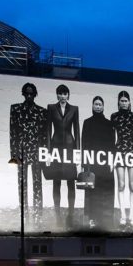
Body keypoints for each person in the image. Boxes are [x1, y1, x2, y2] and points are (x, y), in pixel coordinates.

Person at [9, 82, 48, 223]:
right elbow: (13, 133)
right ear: (23, 93)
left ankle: (38, 216)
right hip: (21, 152)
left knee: (37, 184)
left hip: (37, 152)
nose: (29, 96)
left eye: (32, 93)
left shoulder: (42, 112)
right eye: (27, 93)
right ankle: (24, 216)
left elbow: (44, 135)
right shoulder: (16, 109)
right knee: (22, 185)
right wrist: (14, 156)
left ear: (35, 94)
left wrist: (44, 154)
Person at [46, 84, 80, 228]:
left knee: (71, 181)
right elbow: (48, 129)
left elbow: (77, 130)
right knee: (56, 181)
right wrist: (48, 151)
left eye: (65, 93)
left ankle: (70, 215)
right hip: (55, 146)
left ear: (68, 95)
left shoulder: (74, 109)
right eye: (60, 94)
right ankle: (58, 214)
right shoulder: (51, 108)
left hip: (70, 147)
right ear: (57, 95)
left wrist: (78, 152)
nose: (63, 96)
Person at [81, 96, 116, 229]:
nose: (98, 106)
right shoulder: (87, 122)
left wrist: (111, 160)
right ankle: (92, 219)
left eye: (100, 104)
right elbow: (84, 143)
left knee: (104, 192)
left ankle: (104, 220)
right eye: (96, 104)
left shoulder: (108, 124)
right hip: (91, 163)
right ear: (92, 106)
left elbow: (112, 144)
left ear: (103, 106)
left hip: (105, 163)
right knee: (91, 192)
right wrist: (84, 164)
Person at [110, 90, 133, 227]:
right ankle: (123, 216)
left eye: (125, 100)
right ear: (118, 102)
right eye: (121, 100)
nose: (123, 103)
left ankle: (132, 217)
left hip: (132, 152)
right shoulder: (114, 116)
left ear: (129, 102)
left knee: (132, 185)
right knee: (121, 185)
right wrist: (111, 156)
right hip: (119, 152)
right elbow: (111, 138)